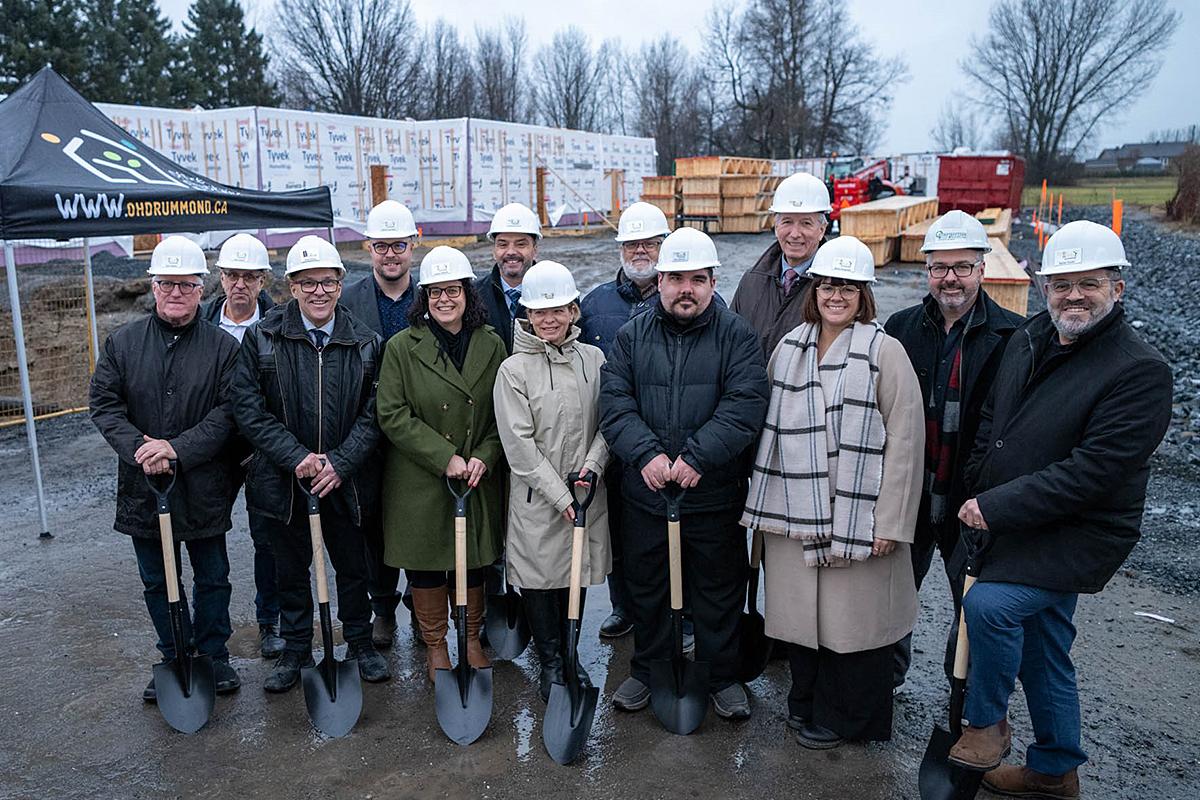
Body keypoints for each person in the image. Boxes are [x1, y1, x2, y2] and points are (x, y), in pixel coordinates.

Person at [948, 221, 1173, 799]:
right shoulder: (1029, 338)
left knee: (990, 605)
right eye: (1061, 284)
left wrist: (994, 506)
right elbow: (994, 425)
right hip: (1016, 518)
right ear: (1043, 287)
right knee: (1045, 647)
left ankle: (985, 724)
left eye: (1089, 283)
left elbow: (1091, 474)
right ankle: (1055, 769)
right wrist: (977, 483)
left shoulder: (1138, 371)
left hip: (1079, 533)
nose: (1074, 295)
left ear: (1117, 288)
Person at [741, 236, 924, 749]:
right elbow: (768, 434)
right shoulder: (789, 346)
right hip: (792, 515)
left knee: (852, 633)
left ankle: (849, 720)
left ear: (863, 293)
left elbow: (907, 445)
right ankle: (806, 705)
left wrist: (890, 523)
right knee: (802, 627)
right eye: (826, 285)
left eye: (846, 286)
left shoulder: (885, 352)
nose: (835, 295)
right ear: (813, 289)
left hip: (855, 516)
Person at [600, 227, 769, 720]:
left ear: (713, 282)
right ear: (660, 280)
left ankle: (720, 675)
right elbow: (615, 401)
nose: (685, 289)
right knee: (646, 587)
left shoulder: (736, 334)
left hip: (712, 494)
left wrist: (698, 457)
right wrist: (645, 454)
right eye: (675, 278)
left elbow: (745, 404)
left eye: (697, 278)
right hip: (647, 492)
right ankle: (648, 669)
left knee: (717, 588)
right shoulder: (633, 335)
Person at [232, 235, 390, 692]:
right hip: (284, 481)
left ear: (340, 284)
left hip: (346, 479)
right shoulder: (263, 338)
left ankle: (359, 643)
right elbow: (248, 408)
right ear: (292, 287)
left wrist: (339, 463)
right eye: (308, 283)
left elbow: (374, 412)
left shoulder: (365, 343)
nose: (319, 291)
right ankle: (297, 648)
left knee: (353, 568)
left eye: (328, 282)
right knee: (290, 570)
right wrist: (297, 457)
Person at [89, 235, 242, 701]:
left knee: (212, 575)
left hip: (202, 484)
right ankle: (173, 652)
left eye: (185, 285)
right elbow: (104, 404)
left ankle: (213, 656)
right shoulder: (124, 343)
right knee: (157, 578)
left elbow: (229, 413)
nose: (175, 293)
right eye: (166, 284)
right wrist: (140, 448)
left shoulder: (222, 349)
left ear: (201, 289)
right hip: (144, 485)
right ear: (152, 287)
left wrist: (175, 448)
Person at [883, 211, 1023, 689]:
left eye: (962, 267)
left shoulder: (1013, 337)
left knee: (971, 608)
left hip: (970, 498)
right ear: (927, 271)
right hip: (911, 494)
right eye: (940, 267)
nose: (951, 278)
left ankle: (962, 699)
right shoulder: (900, 329)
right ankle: (883, 681)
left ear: (982, 269)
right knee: (893, 594)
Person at [375, 246, 508, 681]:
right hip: (420, 476)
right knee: (427, 564)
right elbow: (392, 413)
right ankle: (435, 647)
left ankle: (470, 638)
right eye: (435, 292)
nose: (444, 300)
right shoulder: (401, 347)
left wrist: (483, 458)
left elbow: (501, 413)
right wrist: (444, 457)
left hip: (473, 476)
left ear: (467, 293)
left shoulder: (492, 343)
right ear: (424, 297)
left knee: (472, 562)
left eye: (452, 290)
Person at [493, 261, 610, 700]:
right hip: (539, 498)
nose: (549, 320)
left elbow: (609, 420)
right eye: (539, 312)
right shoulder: (514, 370)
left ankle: (570, 652)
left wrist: (594, 466)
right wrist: (562, 497)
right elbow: (519, 447)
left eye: (558, 310)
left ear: (574, 311)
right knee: (541, 583)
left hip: (586, 490)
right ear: (526, 314)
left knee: (573, 576)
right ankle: (551, 662)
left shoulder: (594, 360)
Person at [578, 201, 669, 640]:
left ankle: (675, 607)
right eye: (632, 243)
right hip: (609, 436)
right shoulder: (594, 303)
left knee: (663, 528)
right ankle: (623, 605)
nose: (640, 251)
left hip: (665, 437)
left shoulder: (685, 296)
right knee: (615, 524)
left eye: (649, 243)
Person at [339, 200, 420, 649]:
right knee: (372, 524)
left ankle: (421, 596)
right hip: (367, 430)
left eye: (399, 246)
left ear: (414, 244)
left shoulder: (433, 295)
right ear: (369, 247)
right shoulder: (349, 300)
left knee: (422, 515)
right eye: (382, 246)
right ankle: (383, 606)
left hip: (420, 429)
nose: (391, 255)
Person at [201, 232, 284, 660]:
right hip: (212, 449)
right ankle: (209, 632)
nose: (239, 285)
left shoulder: (278, 326)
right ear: (220, 277)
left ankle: (270, 620)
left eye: (249, 277)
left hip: (261, 448)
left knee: (268, 539)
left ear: (262, 281)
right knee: (208, 537)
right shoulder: (201, 324)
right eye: (232, 275)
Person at [731, 172, 832, 359]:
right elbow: (730, 342)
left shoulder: (836, 288)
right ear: (776, 227)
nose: (795, 233)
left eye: (806, 223)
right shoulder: (751, 281)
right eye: (787, 222)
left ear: (822, 230)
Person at [475, 202, 541, 355]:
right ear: (494, 251)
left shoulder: (555, 294)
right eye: (503, 244)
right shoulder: (474, 296)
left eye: (521, 244)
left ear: (535, 250)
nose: (511, 252)